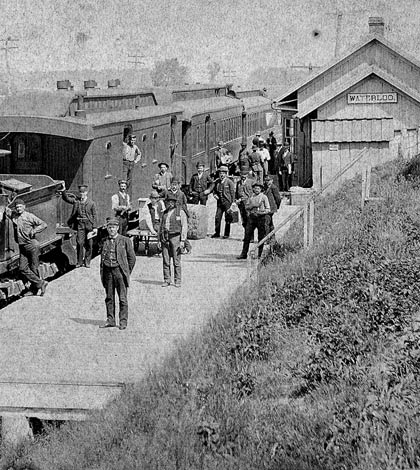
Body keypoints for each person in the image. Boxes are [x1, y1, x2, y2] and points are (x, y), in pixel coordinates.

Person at [99, 217, 136, 330]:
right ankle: (110, 320)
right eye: (109, 227)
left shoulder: (125, 241)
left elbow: (132, 258)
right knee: (109, 297)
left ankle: (123, 322)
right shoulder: (104, 241)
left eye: (113, 227)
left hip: (119, 272)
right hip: (108, 272)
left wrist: (126, 271)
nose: (111, 230)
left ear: (118, 228)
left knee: (122, 298)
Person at [8, 198, 48, 296]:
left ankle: (35, 290)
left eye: (20, 207)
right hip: (22, 246)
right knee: (22, 268)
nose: (18, 209)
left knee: (34, 268)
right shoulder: (14, 216)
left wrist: (34, 231)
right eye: (17, 207)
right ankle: (40, 283)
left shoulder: (29, 216)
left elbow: (43, 224)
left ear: (24, 207)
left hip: (32, 245)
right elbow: (6, 209)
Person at [61, 183, 97, 268]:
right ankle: (79, 262)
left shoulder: (91, 203)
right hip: (80, 225)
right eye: (80, 193)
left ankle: (87, 261)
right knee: (79, 243)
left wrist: (95, 227)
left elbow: (95, 215)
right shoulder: (76, 201)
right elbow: (66, 198)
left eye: (83, 193)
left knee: (89, 244)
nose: (82, 194)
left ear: (86, 193)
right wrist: (63, 190)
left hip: (89, 225)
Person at [159, 192, 188, 288]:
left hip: (175, 237)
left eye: (172, 201)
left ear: (175, 202)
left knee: (176, 260)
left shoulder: (180, 212)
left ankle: (177, 280)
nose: (170, 203)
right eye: (169, 201)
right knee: (166, 260)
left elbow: (184, 226)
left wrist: (183, 240)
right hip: (165, 237)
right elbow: (161, 226)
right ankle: (167, 280)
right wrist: (159, 240)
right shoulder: (164, 213)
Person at [237, 182, 270, 260]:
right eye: (255, 188)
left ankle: (260, 254)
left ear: (261, 189)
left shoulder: (264, 197)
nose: (256, 190)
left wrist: (261, 212)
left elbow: (268, 209)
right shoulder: (251, 197)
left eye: (258, 188)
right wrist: (250, 207)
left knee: (261, 236)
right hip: (252, 218)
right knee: (247, 235)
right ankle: (244, 254)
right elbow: (247, 206)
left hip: (261, 218)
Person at [211, 165, 235, 239]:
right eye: (220, 173)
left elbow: (232, 193)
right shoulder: (217, 182)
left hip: (227, 202)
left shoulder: (230, 182)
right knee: (217, 217)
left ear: (226, 174)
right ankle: (217, 233)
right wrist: (215, 195)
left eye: (223, 173)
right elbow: (214, 191)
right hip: (220, 202)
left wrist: (233, 203)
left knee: (228, 218)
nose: (222, 175)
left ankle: (226, 234)